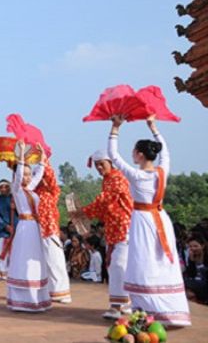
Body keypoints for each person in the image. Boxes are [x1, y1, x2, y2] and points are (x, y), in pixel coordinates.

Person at [108, 115, 191, 326]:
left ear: (140, 154)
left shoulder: (137, 175)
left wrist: (115, 128)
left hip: (144, 221)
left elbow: (113, 156)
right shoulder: (162, 171)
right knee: (162, 262)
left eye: (134, 151)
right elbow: (167, 151)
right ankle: (171, 311)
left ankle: (147, 310)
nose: (132, 154)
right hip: (161, 219)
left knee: (143, 262)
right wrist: (153, 127)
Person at [76, 148, 133, 319]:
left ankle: (117, 306)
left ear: (111, 163)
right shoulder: (108, 180)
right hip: (114, 228)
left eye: (101, 164)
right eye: (96, 165)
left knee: (118, 266)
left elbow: (105, 200)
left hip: (124, 227)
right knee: (117, 265)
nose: (99, 168)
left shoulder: (116, 178)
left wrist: (83, 212)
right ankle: (125, 303)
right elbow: (105, 208)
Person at [6, 142, 50, 313]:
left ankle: (37, 299)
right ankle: (21, 300)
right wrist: (22, 156)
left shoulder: (30, 190)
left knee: (36, 262)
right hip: (25, 227)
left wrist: (42, 159)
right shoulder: (16, 189)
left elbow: (39, 175)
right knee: (24, 261)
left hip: (35, 228)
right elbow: (17, 178)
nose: (26, 177)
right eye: (23, 174)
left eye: (28, 174)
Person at [35, 151, 71, 304]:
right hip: (37, 229)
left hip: (50, 230)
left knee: (54, 260)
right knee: (41, 263)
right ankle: (46, 290)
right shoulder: (34, 192)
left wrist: (44, 160)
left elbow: (50, 178)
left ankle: (61, 292)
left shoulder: (51, 191)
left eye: (40, 174)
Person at [0, 179, 14, 280]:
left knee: (12, 250)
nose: (4, 189)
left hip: (14, 227)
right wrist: (5, 226)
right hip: (2, 229)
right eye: (2, 187)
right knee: (2, 249)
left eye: (6, 186)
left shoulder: (14, 198)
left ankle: (10, 270)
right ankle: (1, 269)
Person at [184, 234, 207, 303]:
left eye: (195, 246)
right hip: (195, 283)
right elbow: (191, 274)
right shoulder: (191, 257)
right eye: (190, 246)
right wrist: (191, 261)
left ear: (202, 246)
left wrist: (200, 265)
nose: (193, 248)